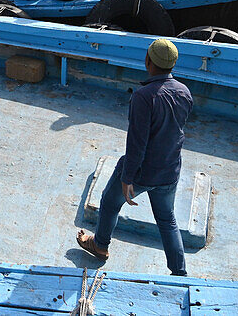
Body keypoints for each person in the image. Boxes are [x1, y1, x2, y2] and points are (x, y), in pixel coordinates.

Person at [76, 38, 193, 277]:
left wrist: (128, 177)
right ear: (172, 64)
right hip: (170, 168)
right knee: (167, 219)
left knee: (110, 201)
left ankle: (100, 245)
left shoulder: (143, 96)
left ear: (148, 61)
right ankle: (179, 272)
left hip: (142, 171)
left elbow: (137, 142)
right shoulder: (184, 92)